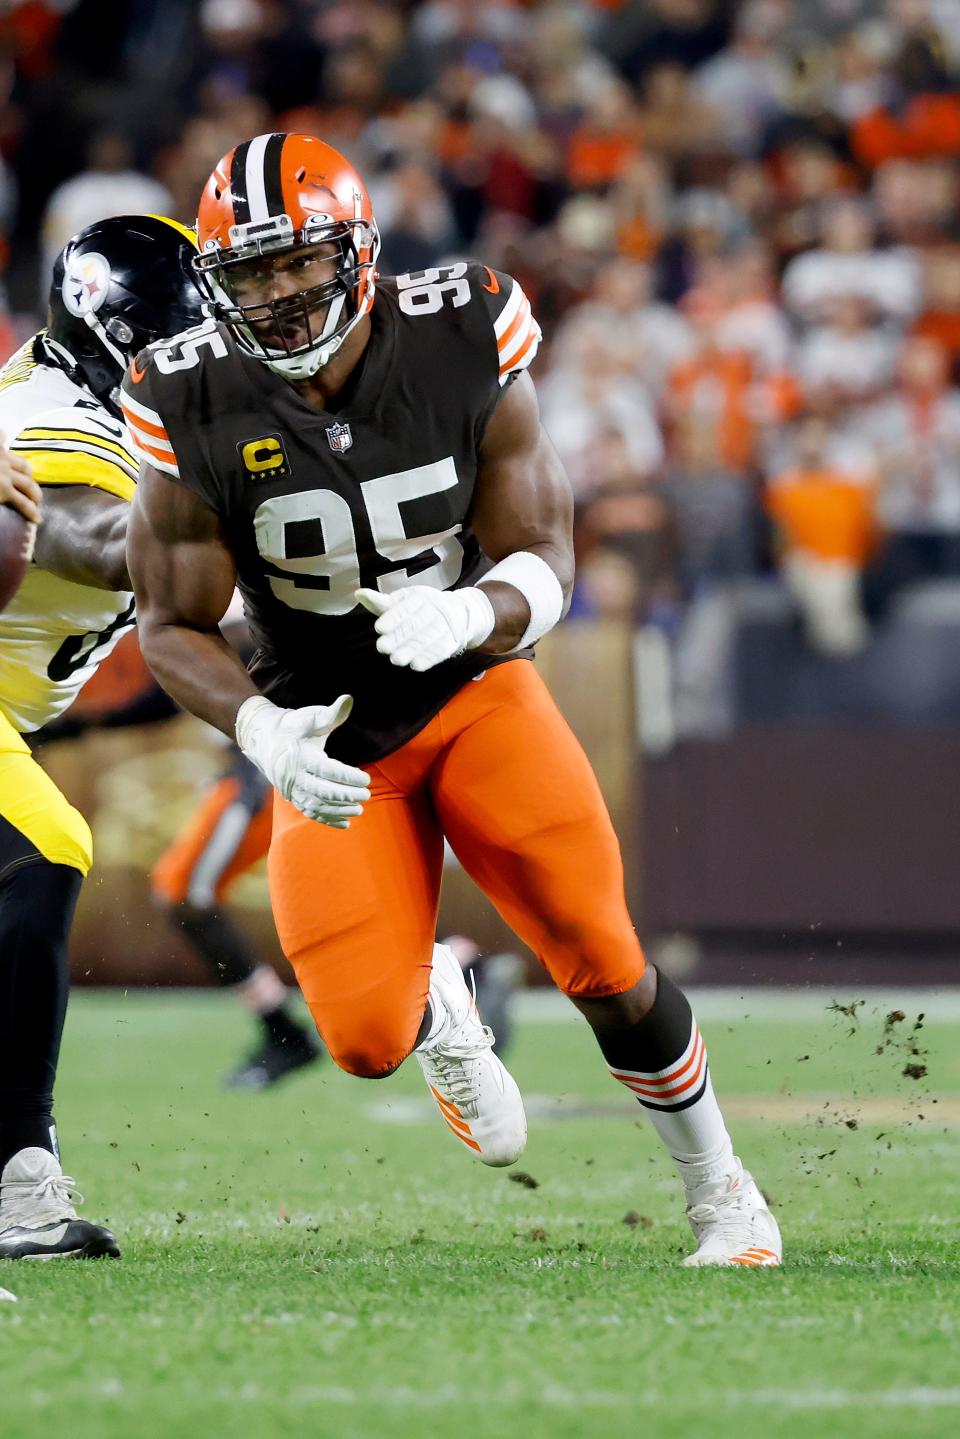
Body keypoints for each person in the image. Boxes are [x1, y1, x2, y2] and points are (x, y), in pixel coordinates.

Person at [126, 133, 781, 1266]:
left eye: (299, 263)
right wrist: (261, 725)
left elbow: (547, 550)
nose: (278, 296)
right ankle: (436, 1003)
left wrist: (473, 613)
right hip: (326, 731)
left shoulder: (461, 325)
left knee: (603, 958)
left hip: (473, 688)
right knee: (364, 1039)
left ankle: (723, 1189)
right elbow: (171, 623)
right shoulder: (185, 391)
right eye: (250, 274)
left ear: (360, 250)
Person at [0, 214, 206, 1259]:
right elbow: (80, 532)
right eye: (169, 336)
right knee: (47, 847)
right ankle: (17, 1175)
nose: (189, 356)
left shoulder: (137, 420)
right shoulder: (51, 410)